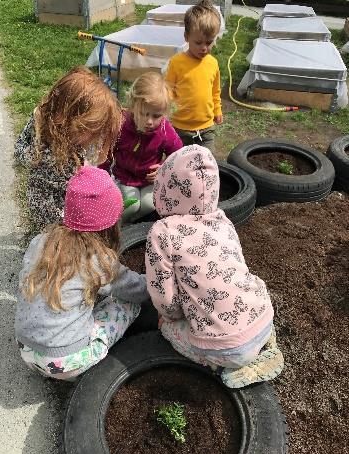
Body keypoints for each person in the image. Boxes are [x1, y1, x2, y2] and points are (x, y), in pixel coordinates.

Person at [145, 145, 284, 389]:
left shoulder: (163, 232)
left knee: (168, 330)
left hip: (226, 347)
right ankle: (264, 345)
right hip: (263, 316)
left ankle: (222, 367)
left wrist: (169, 318)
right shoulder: (222, 220)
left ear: (166, 188)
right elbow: (236, 265)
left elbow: (164, 295)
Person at [14, 166, 149, 381]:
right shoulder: (97, 259)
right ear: (111, 223)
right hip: (66, 361)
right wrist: (154, 282)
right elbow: (138, 290)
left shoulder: (41, 242)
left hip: (25, 347)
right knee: (127, 303)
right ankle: (78, 371)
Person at [14, 66, 122, 231]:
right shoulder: (40, 121)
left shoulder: (80, 139)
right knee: (55, 238)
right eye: (88, 130)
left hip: (75, 201)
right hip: (46, 203)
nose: (91, 137)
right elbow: (19, 150)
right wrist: (37, 157)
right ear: (66, 119)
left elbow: (94, 162)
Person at [100, 72, 183, 224]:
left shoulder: (164, 130)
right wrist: (102, 176)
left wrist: (163, 169)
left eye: (156, 115)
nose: (149, 121)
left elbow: (179, 155)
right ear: (133, 106)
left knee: (149, 204)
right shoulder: (122, 124)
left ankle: (131, 225)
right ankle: (114, 227)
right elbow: (107, 150)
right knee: (131, 205)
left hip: (149, 181)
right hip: (124, 177)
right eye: (144, 114)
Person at [164, 0, 223, 153]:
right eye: (198, 42)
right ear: (186, 37)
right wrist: (164, 112)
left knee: (207, 163)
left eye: (209, 42)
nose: (204, 48)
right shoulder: (177, 62)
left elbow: (215, 91)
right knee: (180, 165)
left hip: (206, 128)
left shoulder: (213, 63)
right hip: (180, 128)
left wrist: (217, 110)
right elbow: (168, 90)